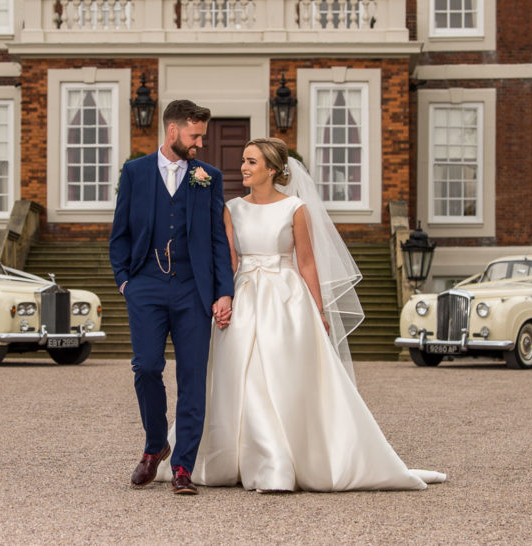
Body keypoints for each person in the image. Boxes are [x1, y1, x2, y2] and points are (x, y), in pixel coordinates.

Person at [160, 137, 445, 491]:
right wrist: (222, 299)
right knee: (236, 374)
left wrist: (319, 310)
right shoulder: (231, 208)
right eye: (244, 161)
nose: (243, 168)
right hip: (245, 295)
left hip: (285, 299)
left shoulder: (295, 208)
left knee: (278, 374)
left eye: (251, 162)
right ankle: (231, 460)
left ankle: (278, 464)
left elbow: (307, 262)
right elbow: (229, 261)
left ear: (273, 170)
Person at [109, 100, 235, 496]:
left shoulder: (207, 177)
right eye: (194, 135)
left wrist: (223, 290)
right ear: (172, 130)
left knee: (193, 377)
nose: (200, 143)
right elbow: (120, 233)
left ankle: (183, 466)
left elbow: (218, 239)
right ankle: (155, 445)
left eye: (202, 136)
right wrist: (125, 282)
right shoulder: (134, 173)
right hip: (145, 285)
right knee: (146, 368)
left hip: (192, 289)